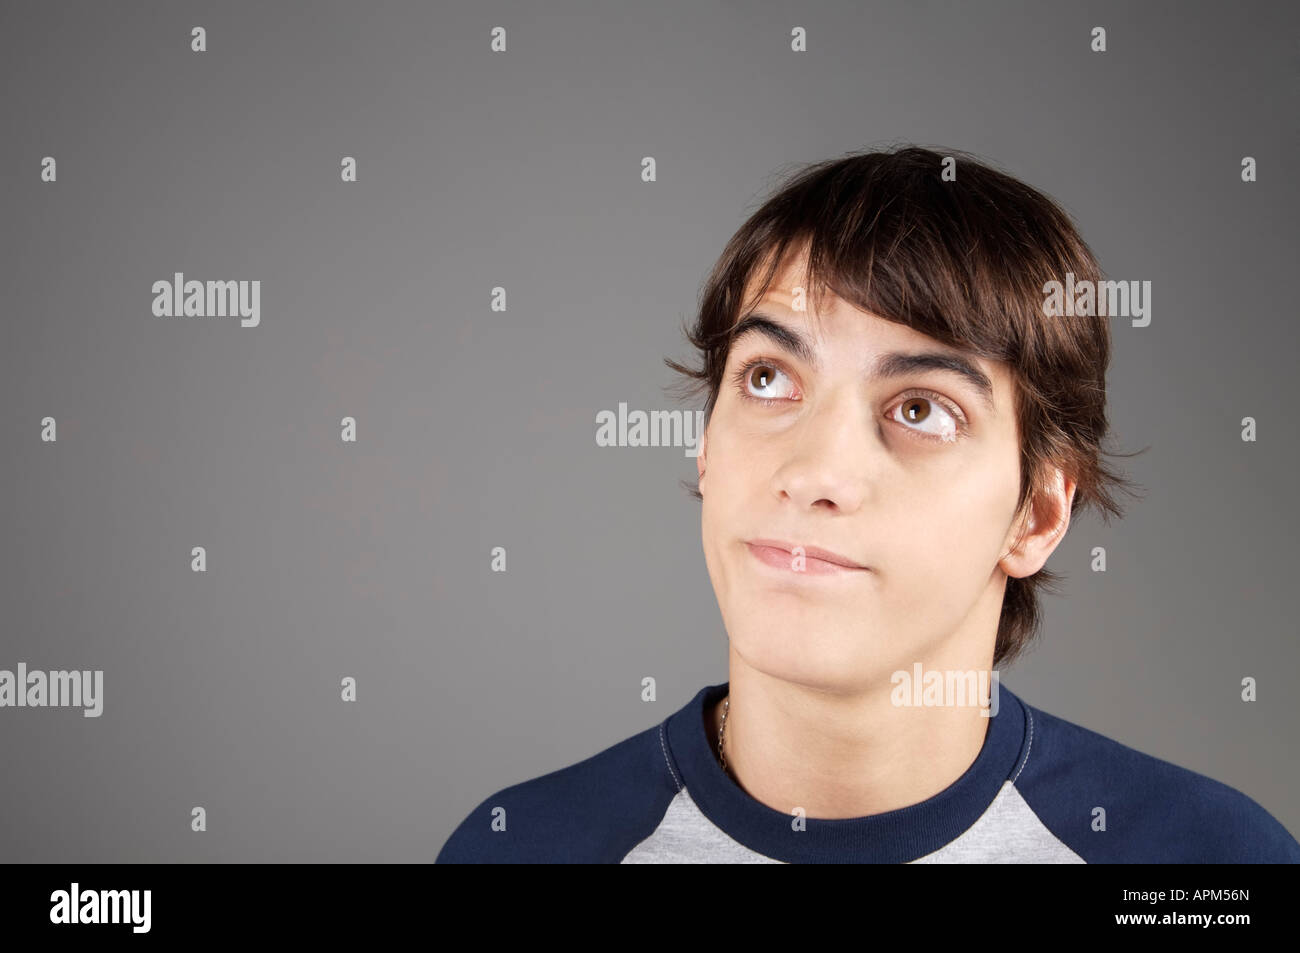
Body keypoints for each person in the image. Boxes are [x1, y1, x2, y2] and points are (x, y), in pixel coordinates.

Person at [436, 145, 1300, 863]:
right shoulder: (522, 847)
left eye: (921, 408)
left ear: (1036, 514)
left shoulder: (1206, 867)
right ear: (705, 446)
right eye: (769, 379)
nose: (813, 470)